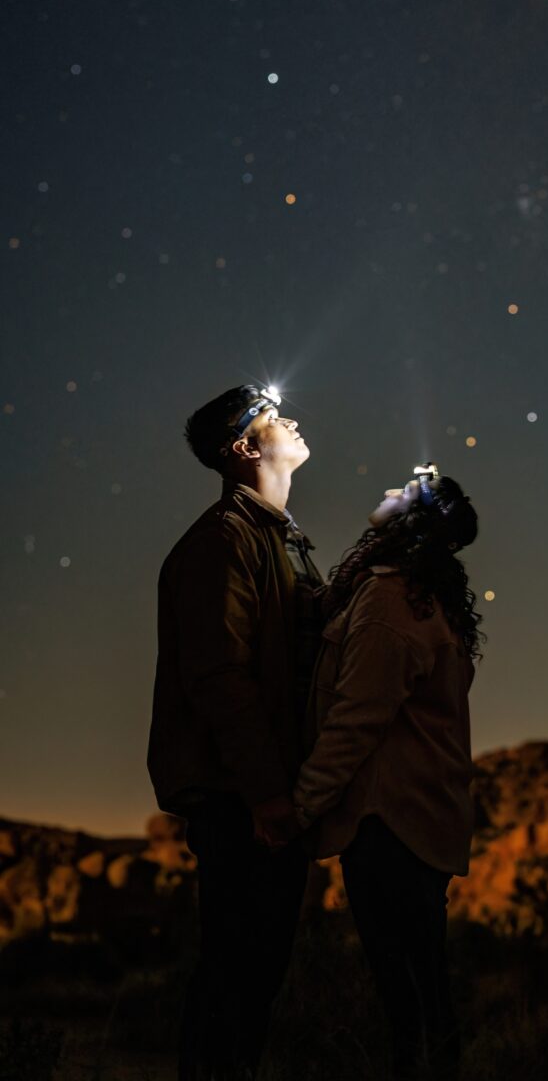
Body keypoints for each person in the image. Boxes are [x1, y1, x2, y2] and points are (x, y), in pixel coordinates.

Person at [147, 382, 325, 1081]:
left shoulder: (278, 541)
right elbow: (220, 678)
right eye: (275, 418)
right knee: (235, 978)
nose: (293, 421)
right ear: (246, 449)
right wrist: (266, 794)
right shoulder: (221, 544)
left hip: (266, 792)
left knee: (255, 981)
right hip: (241, 799)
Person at [293, 469, 482, 1081]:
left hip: (388, 819)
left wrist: (299, 807)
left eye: (403, 491)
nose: (387, 491)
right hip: (421, 815)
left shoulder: (390, 600)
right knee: (425, 985)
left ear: (411, 522)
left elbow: (354, 721)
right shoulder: (425, 598)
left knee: (406, 995)